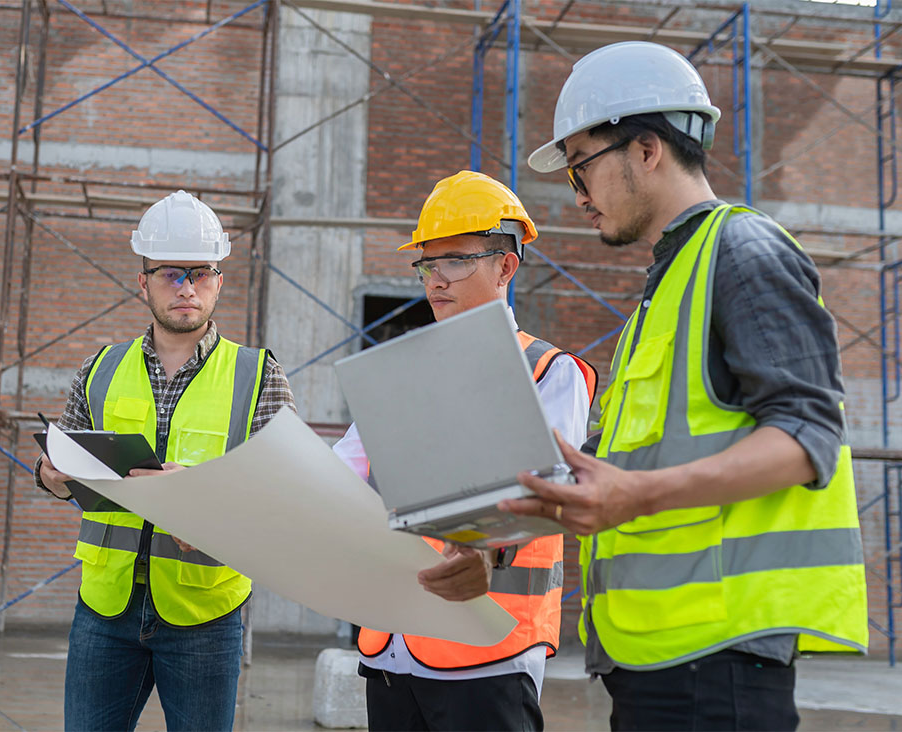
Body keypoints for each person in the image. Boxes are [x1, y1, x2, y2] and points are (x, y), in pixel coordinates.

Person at [508, 41, 868, 730]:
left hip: (718, 667)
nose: (577, 195)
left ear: (646, 150)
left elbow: (808, 437)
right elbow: (626, 475)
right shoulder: (669, 283)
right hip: (657, 663)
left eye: (582, 167)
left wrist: (636, 494)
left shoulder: (742, 252)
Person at [333, 170, 597, 732]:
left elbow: (543, 498)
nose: (437, 279)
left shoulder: (549, 373)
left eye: (456, 260)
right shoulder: (400, 374)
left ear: (506, 265)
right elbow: (341, 476)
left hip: (486, 645)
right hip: (391, 643)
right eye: (428, 263)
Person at [35, 190, 296, 732]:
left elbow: (288, 493)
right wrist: (53, 478)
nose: (186, 288)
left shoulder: (258, 375)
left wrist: (204, 497)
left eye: (200, 273)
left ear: (219, 280)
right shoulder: (99, 369)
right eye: (170, 273)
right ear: (143, 282)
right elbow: (67, 473)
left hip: (204, 612)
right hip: (106, 607)